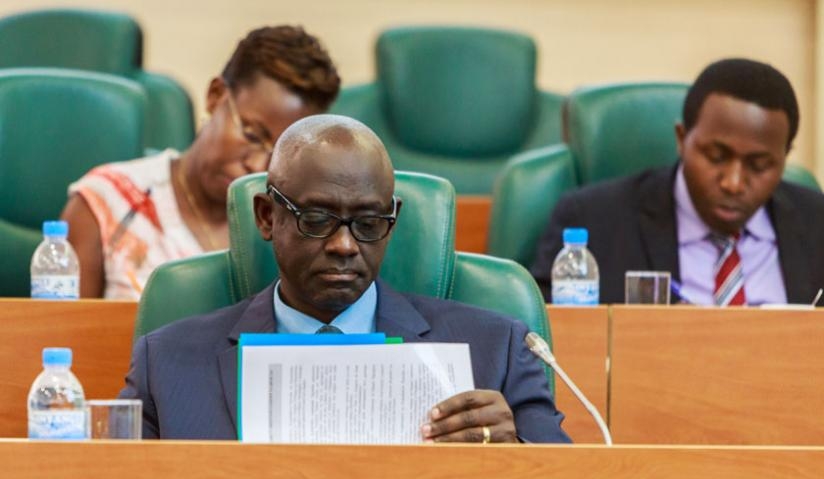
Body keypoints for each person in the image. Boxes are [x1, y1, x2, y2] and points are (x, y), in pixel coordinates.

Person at [119, 114, 570, 444]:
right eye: (317, 218)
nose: (344, 245)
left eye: (369, 223)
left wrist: (516, 454)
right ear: (266, 217)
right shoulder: (168, 362)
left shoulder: (497, 350)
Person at [61, 26, 340, 299]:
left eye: (280, 153)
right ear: (216, 95)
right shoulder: (107, 202)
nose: (257, 165)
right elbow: (61, 335)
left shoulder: (288, 228)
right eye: (252, 135)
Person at [531, 58, 824, 305]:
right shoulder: (594, 220)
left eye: (759, 165)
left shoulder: (817, 224)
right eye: (716, 156)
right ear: (682, 140)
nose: (734, 183)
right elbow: (543, 343)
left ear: (785, 157)